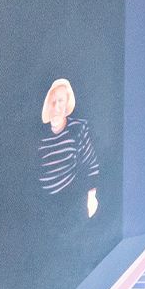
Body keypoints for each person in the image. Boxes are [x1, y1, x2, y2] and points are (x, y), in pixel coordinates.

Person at [38, 77, 101, 220]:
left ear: (67, 103)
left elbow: (90, 164)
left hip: (71, 207)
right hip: (45, 210)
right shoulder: (39, 135)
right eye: (53, 101)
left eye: (61, 101)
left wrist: (91, 197)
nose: (56, 105)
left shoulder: (78, 128)